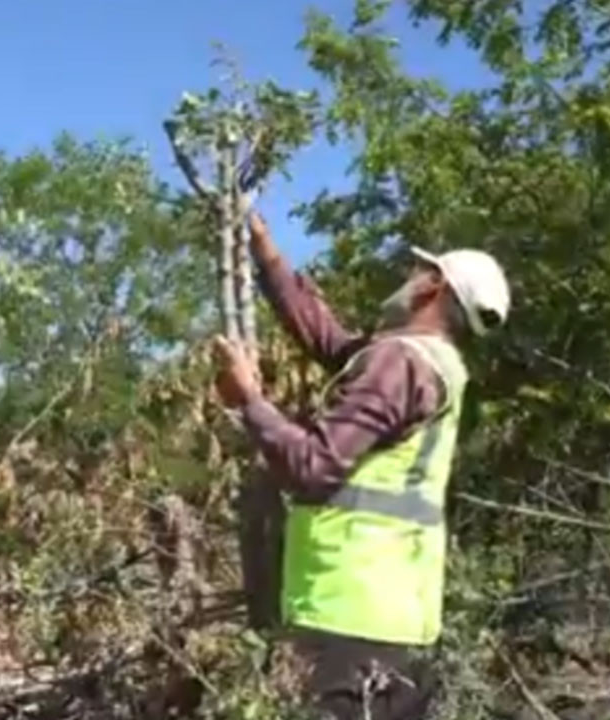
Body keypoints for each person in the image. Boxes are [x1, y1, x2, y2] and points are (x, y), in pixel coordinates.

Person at [211, 211, 511, 720]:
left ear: (432, 287)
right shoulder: (428, 364)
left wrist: (249, 402)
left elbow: (312, 467)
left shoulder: (401, 363)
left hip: (346, 616)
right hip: (400, 622)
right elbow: (329, 341)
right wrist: (266, 251)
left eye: (417, 271)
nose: (406, 278)